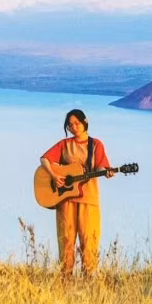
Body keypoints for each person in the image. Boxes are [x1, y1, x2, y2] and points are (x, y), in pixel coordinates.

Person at [40, 109, 114, 277]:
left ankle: (89, 279)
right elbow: (44, 159)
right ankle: (65, 279)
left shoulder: (95, 144)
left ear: (85, 122)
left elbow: (101, 166)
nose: (73, 127)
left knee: (89, 240)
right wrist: (54, 176)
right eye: (70, 125)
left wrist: (107, 171)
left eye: (77, 123)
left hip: (89, 199)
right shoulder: (64, 144)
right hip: (66, 200)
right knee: (66, 240)